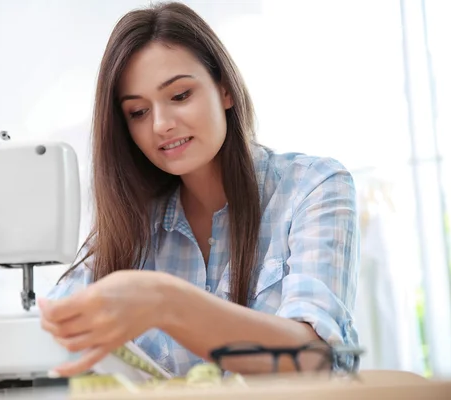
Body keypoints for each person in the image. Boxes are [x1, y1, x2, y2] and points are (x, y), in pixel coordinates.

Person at [38, 1, 359, 378]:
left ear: (225, 90)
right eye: (138, 112)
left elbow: (313, 359)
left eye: (179, 96)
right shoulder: (132, 227)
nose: (160, 125)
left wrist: (165, 302)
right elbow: (50, 331)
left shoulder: (313, 186)